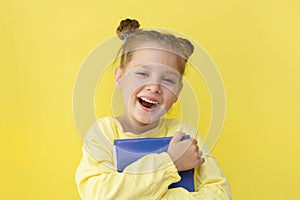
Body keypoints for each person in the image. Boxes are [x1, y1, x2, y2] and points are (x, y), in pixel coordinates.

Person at [76, 18, 232, 199]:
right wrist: (170, 163)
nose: (154, 87)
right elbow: (99, 195)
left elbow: (220, 193)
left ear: (177, 92)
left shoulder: (184, 133)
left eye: (168, 80)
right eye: (142, 73)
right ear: (120, 78)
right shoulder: (103, 133)